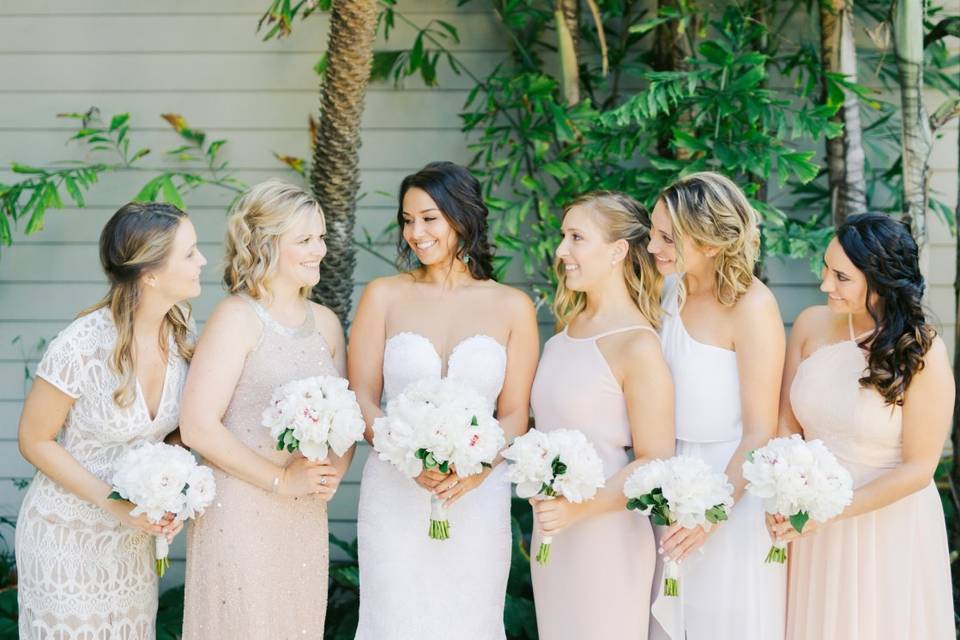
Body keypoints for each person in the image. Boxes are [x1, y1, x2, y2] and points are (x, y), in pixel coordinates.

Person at [350, 161, 539, 639]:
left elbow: (516, 412)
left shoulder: (512, 306)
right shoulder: (383, 296)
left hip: (477, 494)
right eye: (407, 220)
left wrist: (480, 467)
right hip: (395, 490)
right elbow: (363, 396)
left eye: (429, 218)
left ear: (462, 216)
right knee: (393, 619)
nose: (415, 232)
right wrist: (404, 455)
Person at [17, 202, 205, 639]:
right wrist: (113, 501)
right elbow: (34, 439)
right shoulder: (80, 346)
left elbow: (174, 430)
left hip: (131, 546)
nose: (202, 261)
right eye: (190, 253)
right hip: (65, 539)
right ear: (151, 273)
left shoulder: (181, 332)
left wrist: (169, 490)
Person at [775, 213, 955, 639]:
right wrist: (786, 486)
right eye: (825, 269)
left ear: (880, 279)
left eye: (841, 277)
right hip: (809, 521)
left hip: (885, 524)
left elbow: (919, 468)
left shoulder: (922, 351)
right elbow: (786, 421)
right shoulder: (809, 325)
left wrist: (831, 510)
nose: (825, 286)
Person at [180, 180, 346, 639]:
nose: (320, 250)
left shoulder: (327, 324)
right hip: (241, 511)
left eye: (322, 237)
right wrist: (281, 480)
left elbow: (345, 420)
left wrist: (334, 469)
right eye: (306, 240)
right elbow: (197, 426)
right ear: (268, 244)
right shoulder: (237, 318)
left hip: (305, 516)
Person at [646, 172, 786, 639]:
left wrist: (711, 513)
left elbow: (760, 431)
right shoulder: (671, 290)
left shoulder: (752, 306)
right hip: (669, 481)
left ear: (708, 241)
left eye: (667, 237)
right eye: (653, 232)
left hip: (731, 490)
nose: (652, 246)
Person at [529, 192, 674, 639]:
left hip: (607, 535)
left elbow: (656, 459)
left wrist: (579, 508)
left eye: (576, 238)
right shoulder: (561, 335)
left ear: (617, 251)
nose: (561, 251)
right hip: (551, 531)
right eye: (563, 237)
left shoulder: (638, 346)